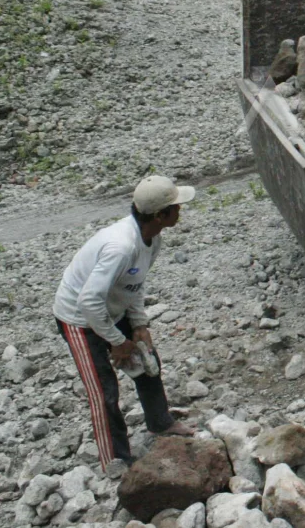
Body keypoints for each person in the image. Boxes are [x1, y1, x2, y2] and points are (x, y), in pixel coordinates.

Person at [52, 175, 197, 469]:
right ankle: (115, 461)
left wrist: (139, 324)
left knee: (147, 361)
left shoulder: (152, 239)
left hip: (111, 309)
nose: (180, 210)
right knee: (103, 390)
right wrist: (117, 342)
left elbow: (134, 285)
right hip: (79, 319)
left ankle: (160, 423)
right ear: (160, 215)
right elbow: (88, 301)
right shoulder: (121, 247)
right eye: (175, 207)